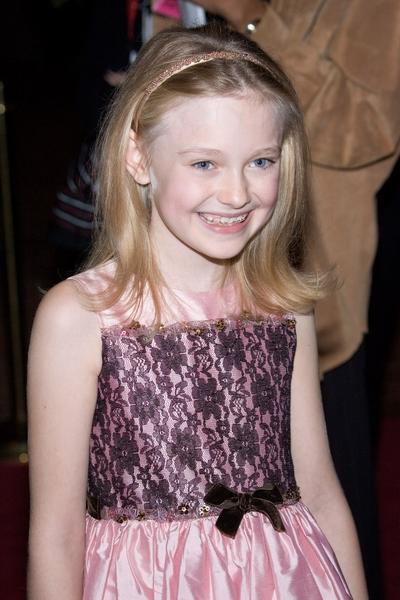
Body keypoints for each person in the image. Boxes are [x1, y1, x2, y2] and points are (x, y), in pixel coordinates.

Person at [27, 23, 367, 599]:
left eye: (261, 161)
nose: (237, 193)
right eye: (205, 164)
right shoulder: (80, 317)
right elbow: (56, 535)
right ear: (139, 157)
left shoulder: (283, 307)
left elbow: (322, 492)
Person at [191, 1, 400, 597]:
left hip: (306, 278)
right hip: (191, 287)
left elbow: (368, 127)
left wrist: (251, 18)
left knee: (325, 489)